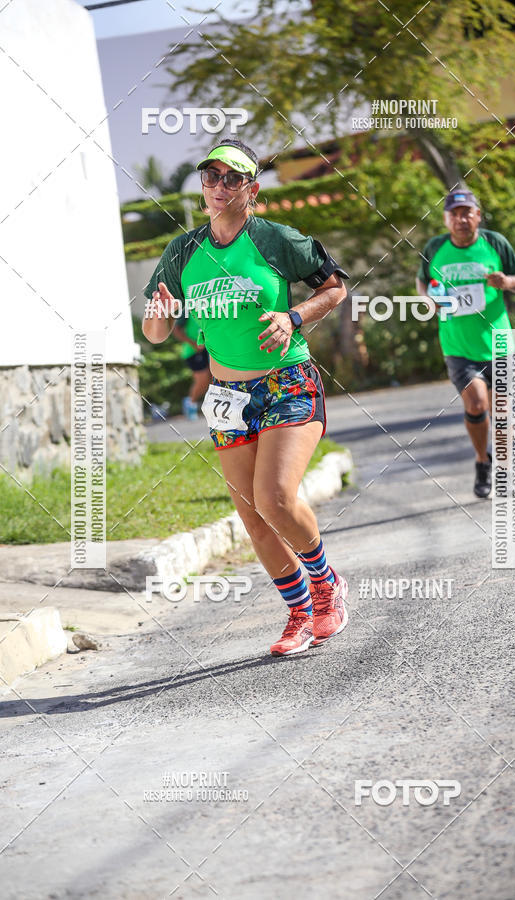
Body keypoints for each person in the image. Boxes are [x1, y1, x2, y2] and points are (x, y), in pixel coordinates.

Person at [142, 138, 350, 656]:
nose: (218, 186)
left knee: (275, 497)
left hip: (287, 381)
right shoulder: (183, 252)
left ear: (251, 189)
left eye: (231, 178)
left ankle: (327, 587)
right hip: (226, 395)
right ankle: (300, 613)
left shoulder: (277, 240)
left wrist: (293, 317)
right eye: (210, 177)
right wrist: (162, 313)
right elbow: (155, 333)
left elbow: (335, 288)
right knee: (253, 517)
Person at [416, 189, 515, 498]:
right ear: (446, 219)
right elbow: (422, 281)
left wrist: (508, 282)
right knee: (478, 404)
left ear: (477, 215)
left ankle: (503, 470)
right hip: (458, 344)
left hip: (500, 341)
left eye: (467, 212)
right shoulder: (435, 247)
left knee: (503, 412)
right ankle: (483, 460)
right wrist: (428, 300)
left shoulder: (494, 243)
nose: (461, 219)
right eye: (454, 214)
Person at [172, 314, 211, 420]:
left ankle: (210, 408)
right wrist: (193, 344)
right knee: (202, 380)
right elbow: (176, 330)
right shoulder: (188, 309)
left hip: (209, 349)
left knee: (212, 381)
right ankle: (190, 403)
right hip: (193, 351)